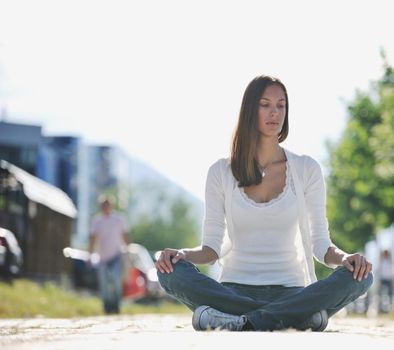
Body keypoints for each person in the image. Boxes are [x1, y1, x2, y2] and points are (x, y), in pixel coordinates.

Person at [155, 75, 373, 331]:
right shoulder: (220, 172)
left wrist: (347, 258)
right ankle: (295, 318)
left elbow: (321, 246)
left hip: (292, 293)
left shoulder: (306, 169)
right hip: (233, 292)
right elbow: (211, 249)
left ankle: (239, 320)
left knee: (362, 276)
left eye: (281, 105)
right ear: (250, 109)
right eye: (265, 104)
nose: (275, 113)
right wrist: (181, 255)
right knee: (169, 270)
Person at [89, 194, 130, 314]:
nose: (105, 207)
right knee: (104, 284)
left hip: (116, 255)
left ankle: (116, 306)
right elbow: (93, 238)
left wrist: (128, 250)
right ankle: (107, 307)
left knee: (116, 282)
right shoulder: (97, 221)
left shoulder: (118, 219)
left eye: (107, 204)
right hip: (102, 257)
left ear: (111, 206)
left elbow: (125, 235)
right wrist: (90, 253)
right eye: (103, 205)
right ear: (100, 206)